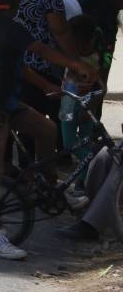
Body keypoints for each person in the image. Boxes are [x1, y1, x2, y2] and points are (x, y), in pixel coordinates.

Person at [0, 0, 96, 260]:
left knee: (47, 130)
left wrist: (47, 86)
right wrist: (76, 64)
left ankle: (47, 185)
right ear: (13, 6)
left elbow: (19, 66)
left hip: (9, 106)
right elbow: (42, 51)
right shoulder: (8, 29)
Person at [12, 0, 75, 124]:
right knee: (44, 121)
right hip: (42, 67)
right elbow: (59, 29)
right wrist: (75, 62)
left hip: (8, 64)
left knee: (16, 119)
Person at [57, 15, 110, 203]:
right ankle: (87, 177)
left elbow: (101, 87)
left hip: (86, 107)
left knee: (80, 145)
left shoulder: (96, 57)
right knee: (71, 144)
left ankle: (84, 180)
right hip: (69, 104)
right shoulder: (71, 54)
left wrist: (93, 107)